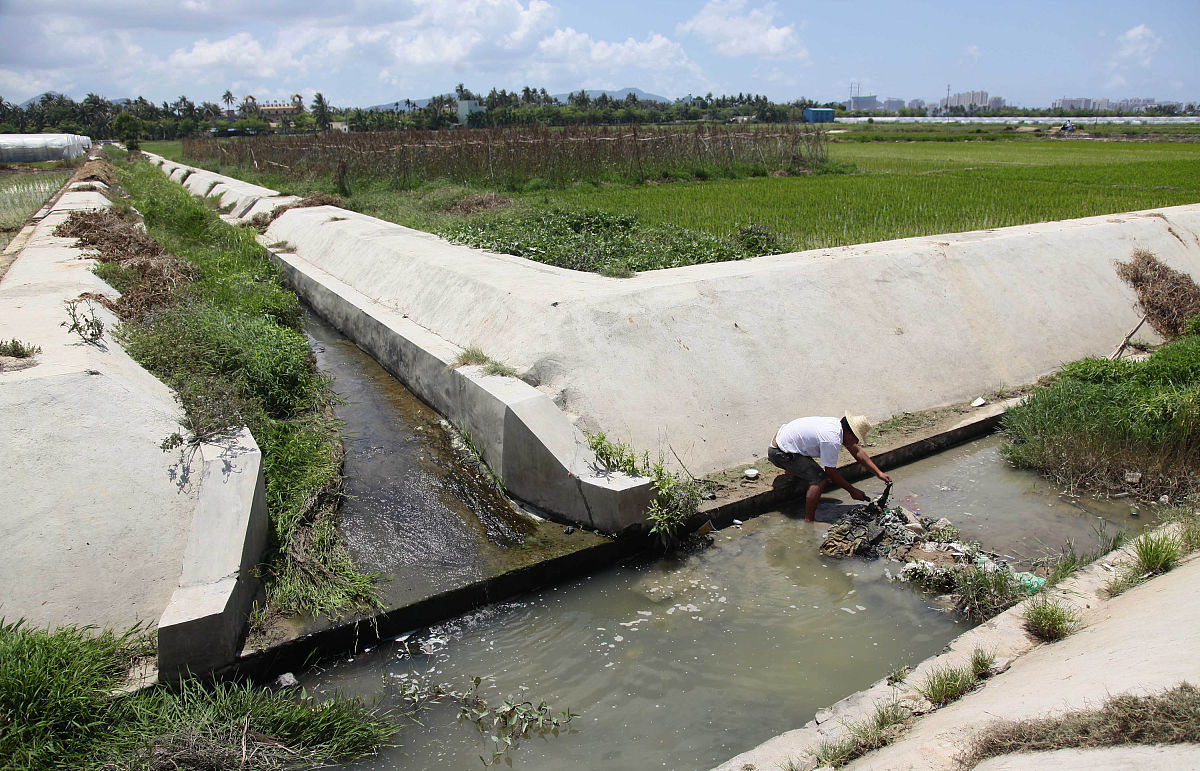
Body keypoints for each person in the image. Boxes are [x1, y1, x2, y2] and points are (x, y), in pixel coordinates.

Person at [767, 411, 892, 523]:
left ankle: (793, 473)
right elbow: (831, 472)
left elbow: (857, 451)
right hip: (778, 452)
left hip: (783, 439)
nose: (857, 442)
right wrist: (852, 491)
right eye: (856, 439)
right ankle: (809, 520)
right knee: (819, 479)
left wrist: (879, 473)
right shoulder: (832, 440)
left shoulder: (837, 426)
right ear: (850, 434)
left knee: (810, 469)